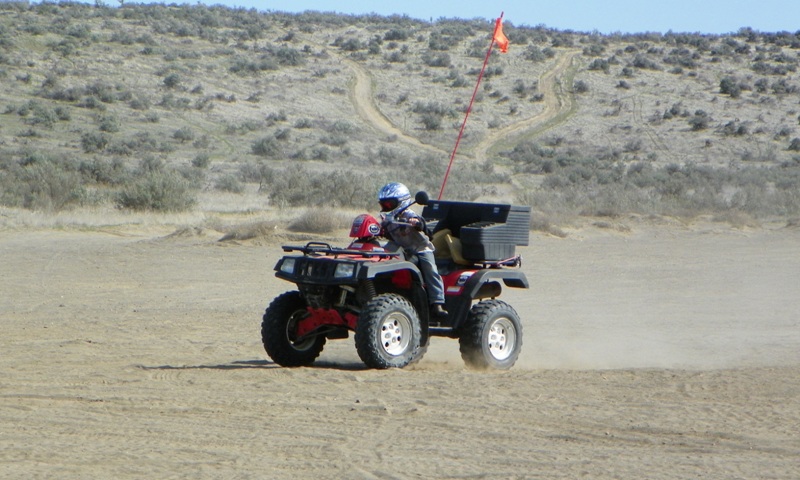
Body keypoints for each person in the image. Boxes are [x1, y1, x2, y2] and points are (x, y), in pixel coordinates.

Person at [377, 182, 448, 318]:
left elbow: (425, 228)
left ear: (402, 202)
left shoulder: (410, 215)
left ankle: (438, 302)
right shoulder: (387, 218)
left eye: (389, 204)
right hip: (398, 247)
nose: (386, 207)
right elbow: (385, 232)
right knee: (379, 256)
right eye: (383, 204)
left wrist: (417, 223)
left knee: (431, 270)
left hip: (420, 249)